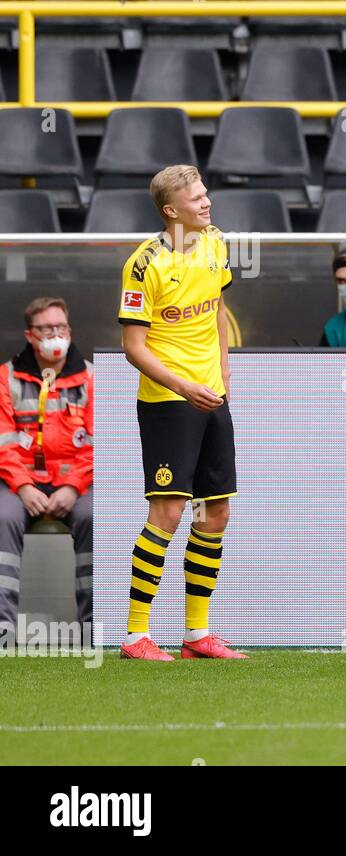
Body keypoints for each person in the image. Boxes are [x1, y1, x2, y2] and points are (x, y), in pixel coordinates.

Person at [117, 164, 245, 661]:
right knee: (168, 512)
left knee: (216, 513)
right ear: (171, 210)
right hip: (169, 401)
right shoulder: (143, 265)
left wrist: (223, 373)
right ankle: (135, 636)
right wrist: (183, 385)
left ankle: (196, 634)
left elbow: (215, 311)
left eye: (206, 194)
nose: (206, 203)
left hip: (212, 395)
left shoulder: (214, 242)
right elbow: (134, 347)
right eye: (196, 199)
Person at [0, 298, 94, 640]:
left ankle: (92, 630)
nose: (56, 334)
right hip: (17, 485)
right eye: (47, 328)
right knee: (2, 517)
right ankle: (2, 630)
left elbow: (100, 444)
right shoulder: (5, 378)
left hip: (77, 486)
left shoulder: (92, 378)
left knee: (95, 517)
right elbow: (3, 442)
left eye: (62, 327)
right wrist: (23, 486)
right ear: (30, 335)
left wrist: (73, 485)